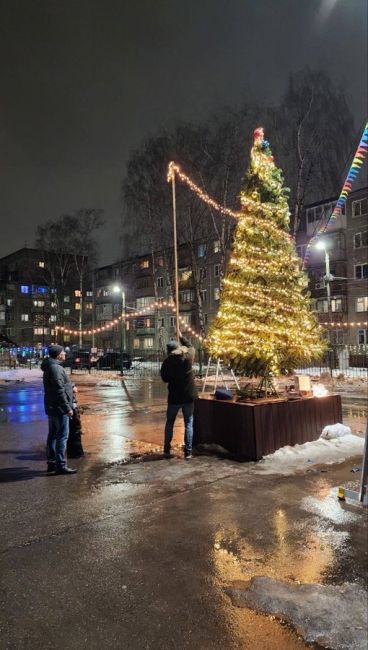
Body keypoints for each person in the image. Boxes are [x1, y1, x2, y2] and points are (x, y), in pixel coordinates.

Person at [160, 333, 198, 459]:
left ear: (169, 351)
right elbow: (190, 346)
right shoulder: (188, 357)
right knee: (189, 423)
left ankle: (166, 449)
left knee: (170, 422)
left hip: (174, 398)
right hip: (188, 396)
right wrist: (181, 336)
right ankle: (188, 452)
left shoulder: (167, 363)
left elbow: (164, 379)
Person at [41, 344, 77, 475]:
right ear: (58, 354)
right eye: (63, 352)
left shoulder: (51, 366)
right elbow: (58, 390)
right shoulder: (56, 368)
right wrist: (67, 408)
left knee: (53, 435)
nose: (65, 354)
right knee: (62, 436)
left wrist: (71, 386)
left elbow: (60, 384)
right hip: (58, 408)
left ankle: (52, 463)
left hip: (52, 406)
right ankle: (60, 465)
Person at [67, 385, 85, 458]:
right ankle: (77, 453)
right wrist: (71, 387)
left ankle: (72, 452)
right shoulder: (58, 374)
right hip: (70, 406)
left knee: (72, 430)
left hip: (69, 405)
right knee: (75, 430)